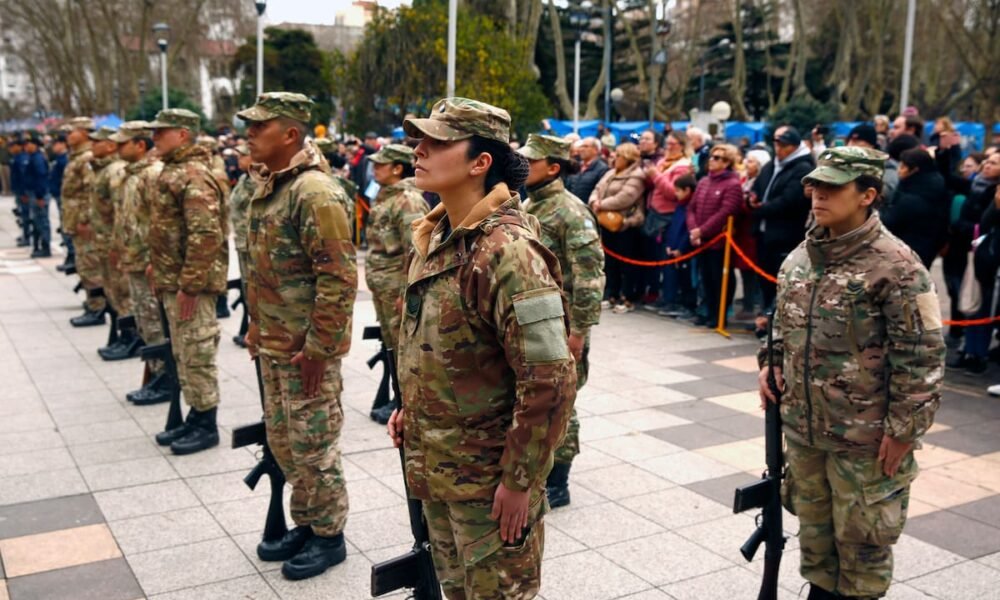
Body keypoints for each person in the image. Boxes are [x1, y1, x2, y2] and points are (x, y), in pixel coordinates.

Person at [386, 97, 575, 600]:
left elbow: (550, 378)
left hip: (489, 484)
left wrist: (520, 481)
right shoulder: (439, 236)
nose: (418, 150)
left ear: (480, 162)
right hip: (442, 468)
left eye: (437, 142)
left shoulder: (508, 252)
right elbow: (446, 346)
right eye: (419, 141)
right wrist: (413, 409)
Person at [761, 146, 945, 600]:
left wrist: (904, 431)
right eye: (814, 187)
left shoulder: (897, 266)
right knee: (815, 540)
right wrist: (769, 364)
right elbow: (781, 325)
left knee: (863, 548)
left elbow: (922, 356)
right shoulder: (801, 257)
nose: (818, 196)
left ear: (867, 195)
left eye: (832, 188)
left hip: (865, 439)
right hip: (805, 429)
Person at [239, 93, 357, 580]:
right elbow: (261, 269)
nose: (248, 134)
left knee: (314, 446)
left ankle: (329, 535)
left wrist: (320, 350)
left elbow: (338, 279)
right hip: (275, 343)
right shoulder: (273, 187)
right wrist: (255, 325)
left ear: (290, 134)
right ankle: (307, 522)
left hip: (307, 350)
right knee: (286, 443)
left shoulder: (314, 192)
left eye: (258, 127)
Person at [519, 133, 604, 509]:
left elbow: (589, 278)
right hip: (533, 320)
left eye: (531, 161)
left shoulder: (571, 212)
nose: (523, 166)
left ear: (554, 168)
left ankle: (559, 482)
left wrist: (579, 331)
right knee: (537, 398)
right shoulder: (528, 205)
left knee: (561, 402)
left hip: (562, 324)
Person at [147, 108, 228, 455]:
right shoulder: (173, 170)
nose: (154, 137)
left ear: (182, 134)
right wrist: (157, 266)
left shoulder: (193, 174)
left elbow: (205, 235)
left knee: (197, 351)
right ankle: (195, 414)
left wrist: (191, 285)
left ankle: (206, 423)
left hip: (191, 285)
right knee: (183, 351)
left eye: (161, 131)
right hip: (175, 279)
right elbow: (168, 230)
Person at [364, 142, 428, 423]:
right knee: (391, 344)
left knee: (403, 347)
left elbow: (415, 252)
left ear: (397, 168)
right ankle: (398, 398)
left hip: (396, 290)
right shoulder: (386, 197)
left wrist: (406, 293)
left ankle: (405, 402)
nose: (374, 169)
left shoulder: (408, 201)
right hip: (384, 289)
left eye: (381, 164)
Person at [115, 121, 170, 404]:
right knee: (145, 321)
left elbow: (160, 223)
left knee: (154, 322)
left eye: (122, 143)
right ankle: (157, 374)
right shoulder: (132, 174)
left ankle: (165, 379)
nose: (117, 148)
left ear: (140, 145)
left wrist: (154, 260)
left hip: (148, 263)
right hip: (135, 260)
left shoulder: (152, 174)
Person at [750, 126, 815, 315]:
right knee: (764, 280)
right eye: (776, 144)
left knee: (781, 281)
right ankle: (765, 317)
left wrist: (760, 209)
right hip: (763, 233)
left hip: (785, 234)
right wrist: (751, 199)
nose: (779, 149)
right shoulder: (771, 166)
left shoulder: (802, 168)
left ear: (794, 146)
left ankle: (778, 319)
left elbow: (789, 201)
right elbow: (757, 187)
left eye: (784, 145)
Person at [686, 143, 744, 327]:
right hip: (702, 240)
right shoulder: (704, 181)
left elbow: (726, 212)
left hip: (719, 242)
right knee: (705, 278)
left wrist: (702, 230)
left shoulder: (733, 184)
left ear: (727, 162)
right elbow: (691, 207)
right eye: (712, 156)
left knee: (719, 279)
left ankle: (719, 315)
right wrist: (694, 229)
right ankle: (708, 312)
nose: (712, 160)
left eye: (718, 158)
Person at [89, 126, 132, 360]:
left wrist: (118, 244)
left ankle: (130, 337)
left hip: (113, 242)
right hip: (104, 240)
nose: (92, 146)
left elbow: (120, 211)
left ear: (109, 146)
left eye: (97, 142)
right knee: (112, 290)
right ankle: (122, 335)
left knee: (122, 291)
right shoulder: (103, 169)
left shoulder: (115, 170)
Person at [589, 142, 646, 313]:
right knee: (609, 262)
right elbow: (597, 189)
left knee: (626, 263)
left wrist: (601, 204)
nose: (615, 158)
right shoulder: (611, 173)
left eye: (618, 155)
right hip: (605, 222)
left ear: (627, 157)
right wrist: (594, 201)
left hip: (625, 224)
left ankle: (627, 297)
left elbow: (626, 197)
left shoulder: (637, 175)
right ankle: (611, 294)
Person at [62, 118, 107, 327]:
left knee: (90, 265)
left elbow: (91, 192)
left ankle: (97, 307)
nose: (68, 136)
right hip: (75, 220)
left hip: (84, 223)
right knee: (84, 263)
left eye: (72, 131)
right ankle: (92, 303)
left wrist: (85, 219)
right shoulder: (77, 156)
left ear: (84, 133)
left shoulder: (87, 157)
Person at [642, 130, 693, 311]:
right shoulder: (663, 162)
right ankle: (661, 295)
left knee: (668, 259)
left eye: (673, 144)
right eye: (668, 143)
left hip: (669, 216)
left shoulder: (683, 166)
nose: (669, 147)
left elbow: (673, 192)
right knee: (657, 258)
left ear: (682, 146)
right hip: (655, 214)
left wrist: (655, 175)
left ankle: (670, 299)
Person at [881, 148, 949, 268]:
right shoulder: (935, 184)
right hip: (926, 249)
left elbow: (887, 222)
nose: (899, 170)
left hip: (908, 253)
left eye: (903, 167)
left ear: (914, 170)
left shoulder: (912, 198)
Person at [228, 143, 254, 348]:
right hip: (242, 241)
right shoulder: (245, 179)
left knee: (254, 289)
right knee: (247, 288)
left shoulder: (258, 181)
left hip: (253, 243)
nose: (239, 159)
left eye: (243, 156)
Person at [23, 132, 51, 257]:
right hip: (34, 193)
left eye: (28, 144)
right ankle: (39, 246)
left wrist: (40, 196)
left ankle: (45, 247)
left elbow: (40, 177)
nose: (26, 147)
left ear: (34, 145)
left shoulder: (37, 159)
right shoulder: (33, 157)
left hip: (38, 194)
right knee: (37, 221)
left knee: (41, 221)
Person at [49, 135, 71, 268]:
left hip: (64, 197)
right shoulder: (59, 159)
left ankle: (71, 257)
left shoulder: (64, 160)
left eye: (56, 144)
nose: (54, 147)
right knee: (64, 226)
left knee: (66, 227)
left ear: (63, 144)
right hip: (59, 195)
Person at [565, 137, 608, 203]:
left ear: (596, 150)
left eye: (585, 146)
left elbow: (599, 192)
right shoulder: (576, 166)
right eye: (581, 146)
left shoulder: (602, 169)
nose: (581, 149)